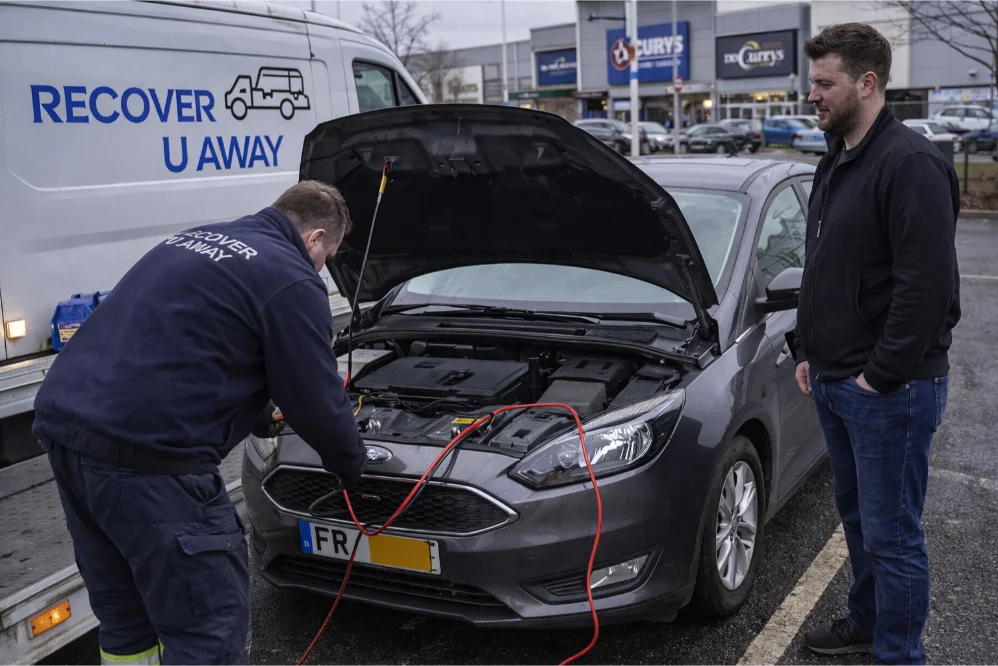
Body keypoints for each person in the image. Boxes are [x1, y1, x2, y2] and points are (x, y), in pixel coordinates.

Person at [31, 181, 367, 666]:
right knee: (209, 627)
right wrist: (351, 467)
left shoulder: (194, 240)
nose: (322, 267)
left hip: (67, 432)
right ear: (315, 239)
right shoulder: (292, 277)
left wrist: (255, 417)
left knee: (126, 619)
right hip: (152, 461)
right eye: (328, 255)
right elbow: (315, 399)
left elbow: (192, 340)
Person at [788, 23, 961, 666]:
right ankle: (865, 620)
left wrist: (880, 376)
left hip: (889, 387)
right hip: (835, 378)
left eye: (825, 83)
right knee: (859, 521)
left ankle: (899, 654)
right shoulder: (835, 158)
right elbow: (821, 267)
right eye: (812, 82)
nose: (814, 95)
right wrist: (809, 349)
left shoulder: (910, 164)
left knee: (893, 535)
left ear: (867, 83)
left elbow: (926, 288)